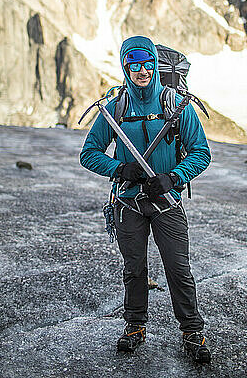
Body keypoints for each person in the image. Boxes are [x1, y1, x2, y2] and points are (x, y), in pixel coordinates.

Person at [80, 35, 212, 363]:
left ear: (155, 63)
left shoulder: (173, 103)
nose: (141, 70)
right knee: (134, 268)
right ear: (125, 67)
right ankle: (135, 326)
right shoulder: (116, 108)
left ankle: (192, 331)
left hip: (166, 201)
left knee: (178, 268)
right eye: (133, 64)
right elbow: (89, 153)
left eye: (147, 63)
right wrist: (121, 169)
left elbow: (201, 153)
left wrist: (172, 177)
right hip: (128, 202)